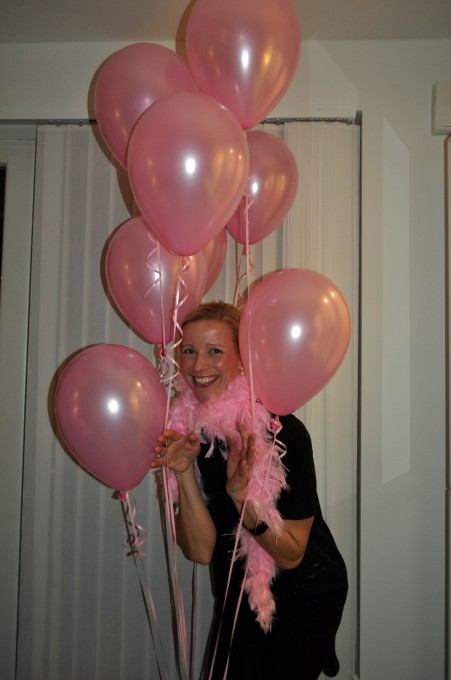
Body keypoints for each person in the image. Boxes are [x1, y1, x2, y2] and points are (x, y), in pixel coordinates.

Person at [151, 301, 348, 680]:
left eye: (214, 351)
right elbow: (200, 550)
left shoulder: (282, 434)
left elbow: (292, 556)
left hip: (305, 596)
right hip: (237, 594)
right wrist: (183, 471)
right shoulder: (187, 435)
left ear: (243, 359)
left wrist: (245, 501)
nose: (198, 365)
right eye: (189, 351)